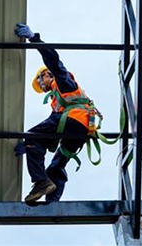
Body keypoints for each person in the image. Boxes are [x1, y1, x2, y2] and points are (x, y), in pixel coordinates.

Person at [14, 23, 96, 203]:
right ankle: (52, 202)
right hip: (81, 130)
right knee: (58, 163)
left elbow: (53, 59)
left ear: (47, 75)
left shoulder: (62, 81)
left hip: (73, 120)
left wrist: (33, 38)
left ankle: (41, 181)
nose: (42, 86)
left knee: (33, 137)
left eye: (40, 81)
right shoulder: (59, 100)